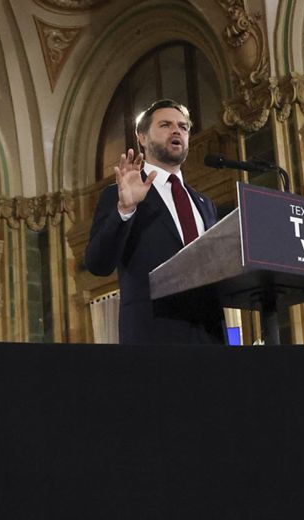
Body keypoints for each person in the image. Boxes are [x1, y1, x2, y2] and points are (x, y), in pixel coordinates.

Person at [84, 98, 224, 344]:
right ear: (142, 137)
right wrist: (126, 208)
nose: (176, 131)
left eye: (183, 127)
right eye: (165, 125)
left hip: (208, 337)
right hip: (153, 338)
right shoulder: (119, 194)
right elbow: (98, 263)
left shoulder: (205, 204)